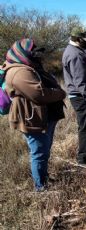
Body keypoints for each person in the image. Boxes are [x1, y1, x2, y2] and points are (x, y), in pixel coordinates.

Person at [4, 38, 66, 191]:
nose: (37, 55)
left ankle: (43, 178)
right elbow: (39, 94)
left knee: (44, 150)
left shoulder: (30, 66)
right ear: (22, 52)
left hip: (42, 117)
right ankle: (40, 187)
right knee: (39, 152)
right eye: (34, 52)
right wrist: (60, 93)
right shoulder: (19, 71)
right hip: (32, 119)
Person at [62, 26, 86, 164]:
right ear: (78, 39)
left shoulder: (76, 51)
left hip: (82, 96)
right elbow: (80, 80)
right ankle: (83, 160)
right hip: (81, 97)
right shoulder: (75, 54)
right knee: (85, 128)